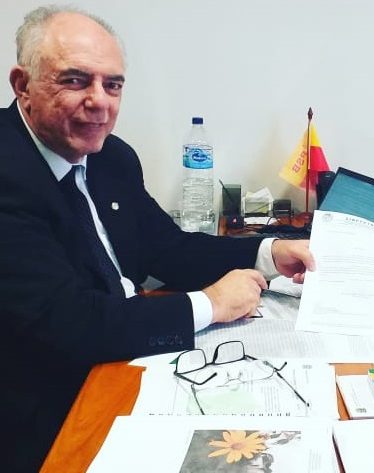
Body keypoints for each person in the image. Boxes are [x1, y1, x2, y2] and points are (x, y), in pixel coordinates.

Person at [0, 6, 314, 471]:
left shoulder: (111, 156)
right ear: (22, 85)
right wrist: (211, 304)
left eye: (113, 85)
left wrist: (270, 252)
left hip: (124, 361)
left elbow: (168, 248)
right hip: (48, 403)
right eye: (75, 81)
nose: (100, 102)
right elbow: (68, 323)